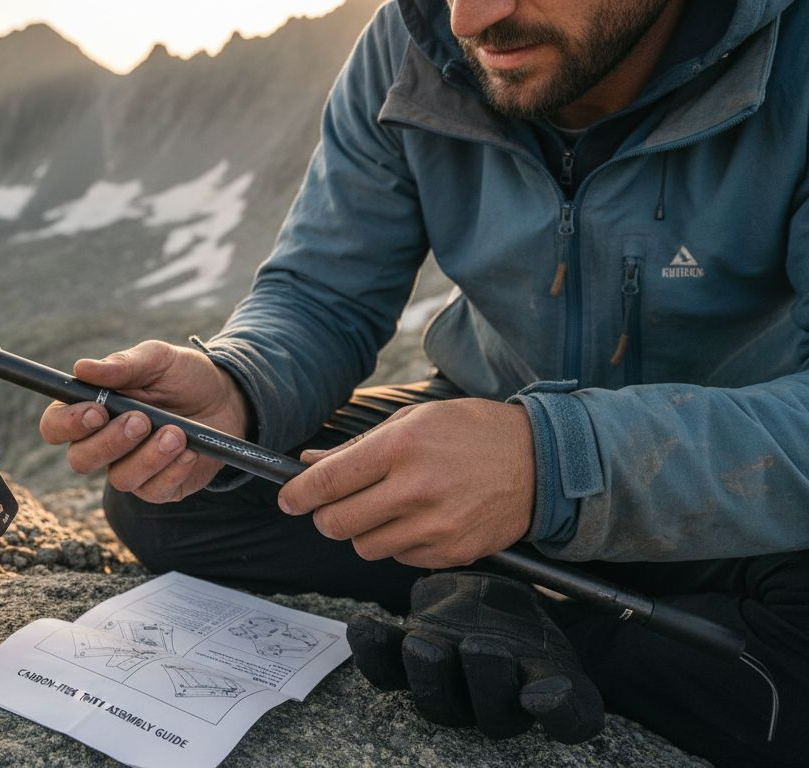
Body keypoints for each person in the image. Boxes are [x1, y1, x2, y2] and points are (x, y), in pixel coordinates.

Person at [40, 0, 808, 765]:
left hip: (733, 483)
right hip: (480, 432)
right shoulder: (412, 41)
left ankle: (508, 606)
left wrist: (551, 463)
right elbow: (322, 293)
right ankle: (549, 613)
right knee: (180, 491)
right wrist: (238, 388)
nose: (470, 21)